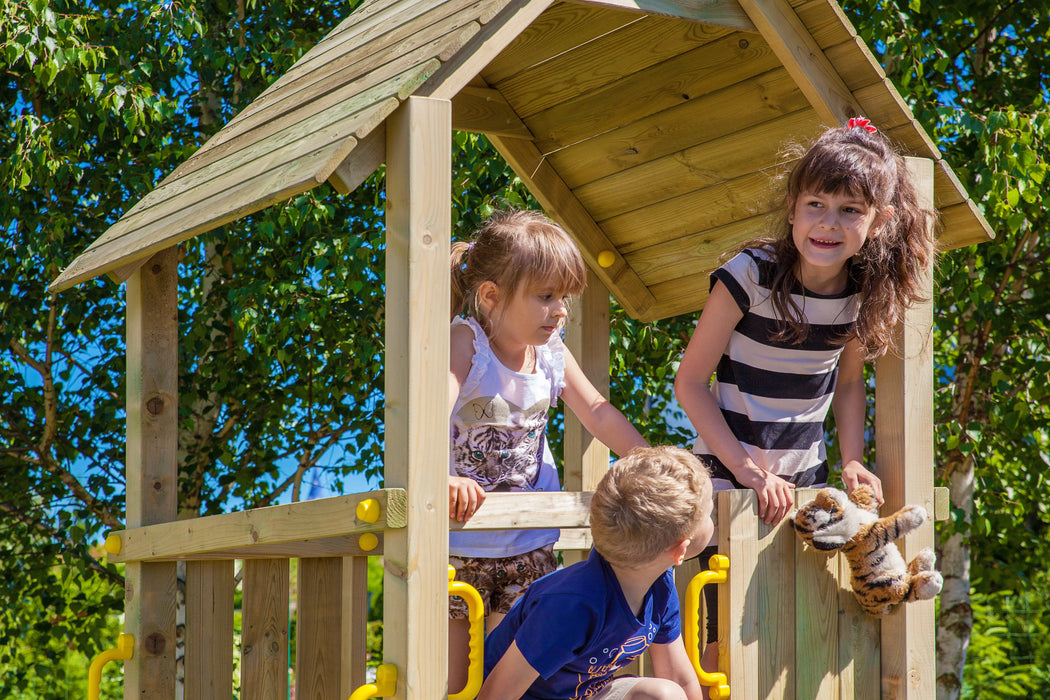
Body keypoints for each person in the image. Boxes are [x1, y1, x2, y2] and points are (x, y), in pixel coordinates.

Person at [673, 118, 937, 692]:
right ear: (792, 207)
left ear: (878, 222)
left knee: (791, 629)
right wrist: (745, 470)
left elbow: (845, 384)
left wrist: (851, 459)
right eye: (816, 203)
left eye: (850, 210)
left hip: (805, 490)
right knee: (720, 641)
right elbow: (689, 383)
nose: (828, 223)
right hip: (729, 479)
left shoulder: (863, 292)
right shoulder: (748, 275)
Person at [448, 208, 649, 693]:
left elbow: (597, 412)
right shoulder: (467, 342)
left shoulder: (553, 353)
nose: (559, 309)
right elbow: (433, 409)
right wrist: (442, 476)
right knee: (452, 681)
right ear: (491, 296)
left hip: (528, 544)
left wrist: (647, 457)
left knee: (505, 682)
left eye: (564, 296)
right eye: (544, 296)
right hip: (460, 545)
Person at [479, 446, 713, 700]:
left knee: (665, 695)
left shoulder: (659, 585)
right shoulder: (570, 605)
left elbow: (678, 678)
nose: (713, 520)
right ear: (680, 549)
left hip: (586, 695)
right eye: (709, 514)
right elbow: (495, 695)